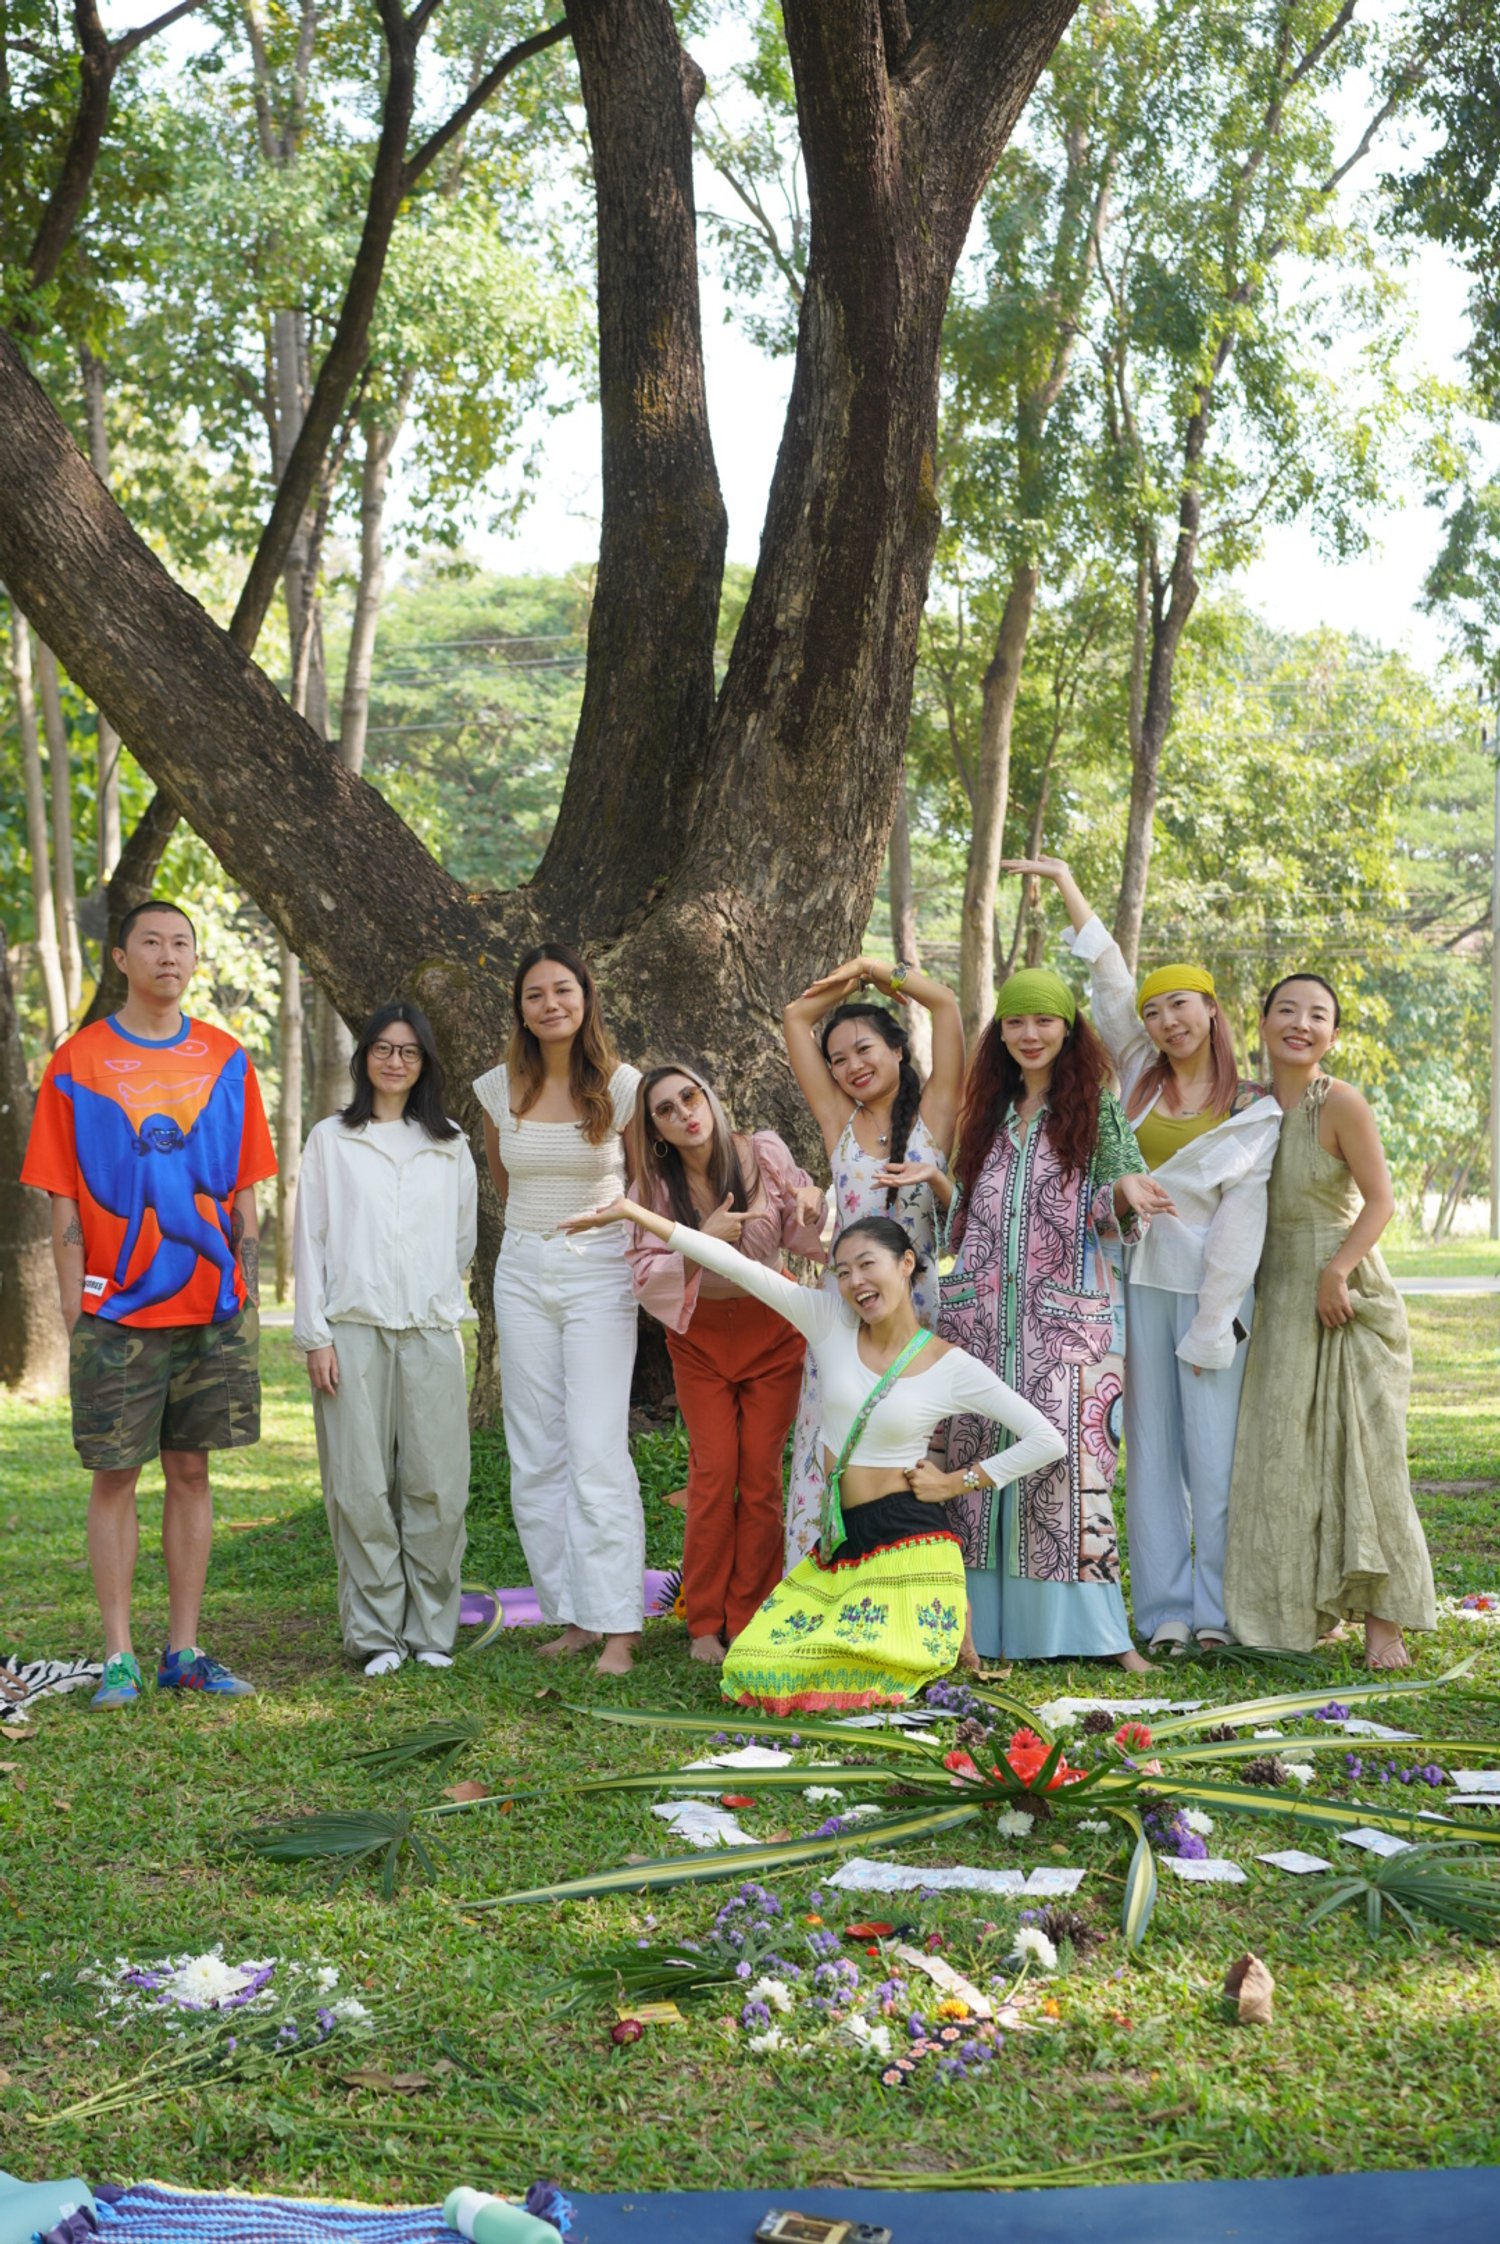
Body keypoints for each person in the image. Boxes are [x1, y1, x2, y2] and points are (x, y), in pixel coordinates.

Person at [563, 1198, 1065, 1712]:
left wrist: (958, 1481)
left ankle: (938, 1627)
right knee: (756, 1667)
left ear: (906, 1264)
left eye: (867, 1264)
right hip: (843, 1540)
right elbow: (732, 1263)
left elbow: (1047, 1439)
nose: (855, 1282)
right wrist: (632, 1212)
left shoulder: (948, 1365)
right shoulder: (828, 1321)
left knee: (868, 1674)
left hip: (910, 1542)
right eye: (843, 1272)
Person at [1007, 857, 1281, 1655]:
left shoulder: (1254, 1106)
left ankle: (1218, 1612)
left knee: (1214, 1455)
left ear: (1212, 1009)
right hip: (1133, 1283)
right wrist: (1066, 884)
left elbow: (1244, 1218)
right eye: (1154, 1012)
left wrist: (1215, 1317)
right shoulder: (1138, 1079)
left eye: (1180, 1005)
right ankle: (1164, 1611)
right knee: (1151, 1451)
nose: (1166, 1021)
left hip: (1214, 1296)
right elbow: (1108, 976)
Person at [20, 899, 275, 1708]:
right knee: (115, 1476)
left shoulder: (227, 1058)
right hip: (115, 1315)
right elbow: (63, 1193)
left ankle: (184, 1650)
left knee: (192, 1470)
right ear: (121, 957)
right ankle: (119, 1655)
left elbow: (244, 1192)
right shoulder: (78, 1062)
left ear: (195, 959)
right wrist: (74, 1305)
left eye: (182, 943)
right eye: (152, 942)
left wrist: (243, 1288)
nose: (169, 955)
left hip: (212, 1309)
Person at [940, 969, 1172, 1671]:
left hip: (1066, 1328)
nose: (1030, 1034)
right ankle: (978, 1630)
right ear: (1000, 1033)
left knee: (1070, 1468)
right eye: (1015, 1022)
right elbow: (968, 1217)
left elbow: (1117, 1199)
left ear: (1068, 1030)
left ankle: (1102, 1635)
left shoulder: (1096, 1110)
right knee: (978, 1458)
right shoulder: (985, 1113)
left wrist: (1123, 1192)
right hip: (982, 1325)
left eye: (1043, 1021)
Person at [1222, 975, 1435, 1666]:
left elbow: (1381, 1201)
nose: (1301, 1024)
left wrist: (1337, 1270)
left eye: (1317, 1016)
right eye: (1287, 1010)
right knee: (1286, 1455)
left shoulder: (1341, 1102)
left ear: (1333, 1035)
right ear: (1262, 1023)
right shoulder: (1248, 1107)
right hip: (1276, 1294)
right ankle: (1306, 1609)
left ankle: (1385, 1624)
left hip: (1343, 1290)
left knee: (1364, 1453)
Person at [473, 943, 644, 1677]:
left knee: (596, 1447)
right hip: (521, 1268)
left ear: (585, 997)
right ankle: (572, 1615)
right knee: (535, 1451)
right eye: (535, 994)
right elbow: (505, 1184)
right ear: (520, 1009)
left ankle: (619, 1628)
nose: (550, 1004)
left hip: (599, 1272)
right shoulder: (496, 1089)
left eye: (563, 990)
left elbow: (642, 1187)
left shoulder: (624, 1087)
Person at [293, 1004, 477, 1678]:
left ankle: (430, 1630)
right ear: (363, 1056)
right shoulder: (331, 1140)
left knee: (438, 1487)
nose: (395, 1062)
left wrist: (431, 1293)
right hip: (352, 1330)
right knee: (360, 1487)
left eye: (409, 1051)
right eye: (383, 1048)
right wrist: (315, 1336)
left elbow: (461, 1239)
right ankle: (376, 1635)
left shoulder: (450, 1144)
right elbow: (309, 1241)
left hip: (430, 1331)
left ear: (424, 1063)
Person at [625, 1065, 827, 1664]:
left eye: (689, 1096)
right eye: (665, 1110)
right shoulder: (653, 1189)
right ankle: (704, 1622)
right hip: (701, 1339)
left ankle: (750, 1614)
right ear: (656, 1131)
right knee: (714, 1474)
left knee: (760, 1477)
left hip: (773, 1328)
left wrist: (813, 1204)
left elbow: (802, 1231)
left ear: (708, 1096)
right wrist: (701, 1240)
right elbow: (645, 1278)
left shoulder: (761, 1153)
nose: (684, 1113)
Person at [780, 956, 963, 1566]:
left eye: (864, 1049)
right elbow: (795, 1017)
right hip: (843, 1312)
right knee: (829, 1441)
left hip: (916, 1311)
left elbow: (945, 1006)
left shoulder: (935, 1114)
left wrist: (881, 970)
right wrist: (851, 976)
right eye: (837, 1059)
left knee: (911, 1448)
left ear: (897, 1051)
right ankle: (817, 1579)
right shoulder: (840, 1120)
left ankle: (908, 1580)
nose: (852, 1066)